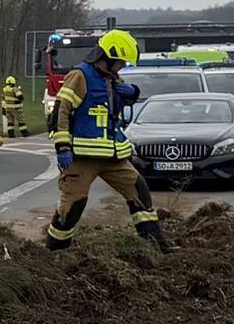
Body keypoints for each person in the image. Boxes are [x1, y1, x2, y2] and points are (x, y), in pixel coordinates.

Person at [45, 30, 164, 251]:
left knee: (139, 192)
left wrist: (131, 92)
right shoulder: (80, 75)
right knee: (73, 206)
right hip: (82, 158)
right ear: (108, 57)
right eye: (121, 62)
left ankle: (155, 246)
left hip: (114, 157)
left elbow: (119, 103)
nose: (122, 67)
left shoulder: (111, 78)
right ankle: (55, 251)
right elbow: (61, 110)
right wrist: (62, 146)